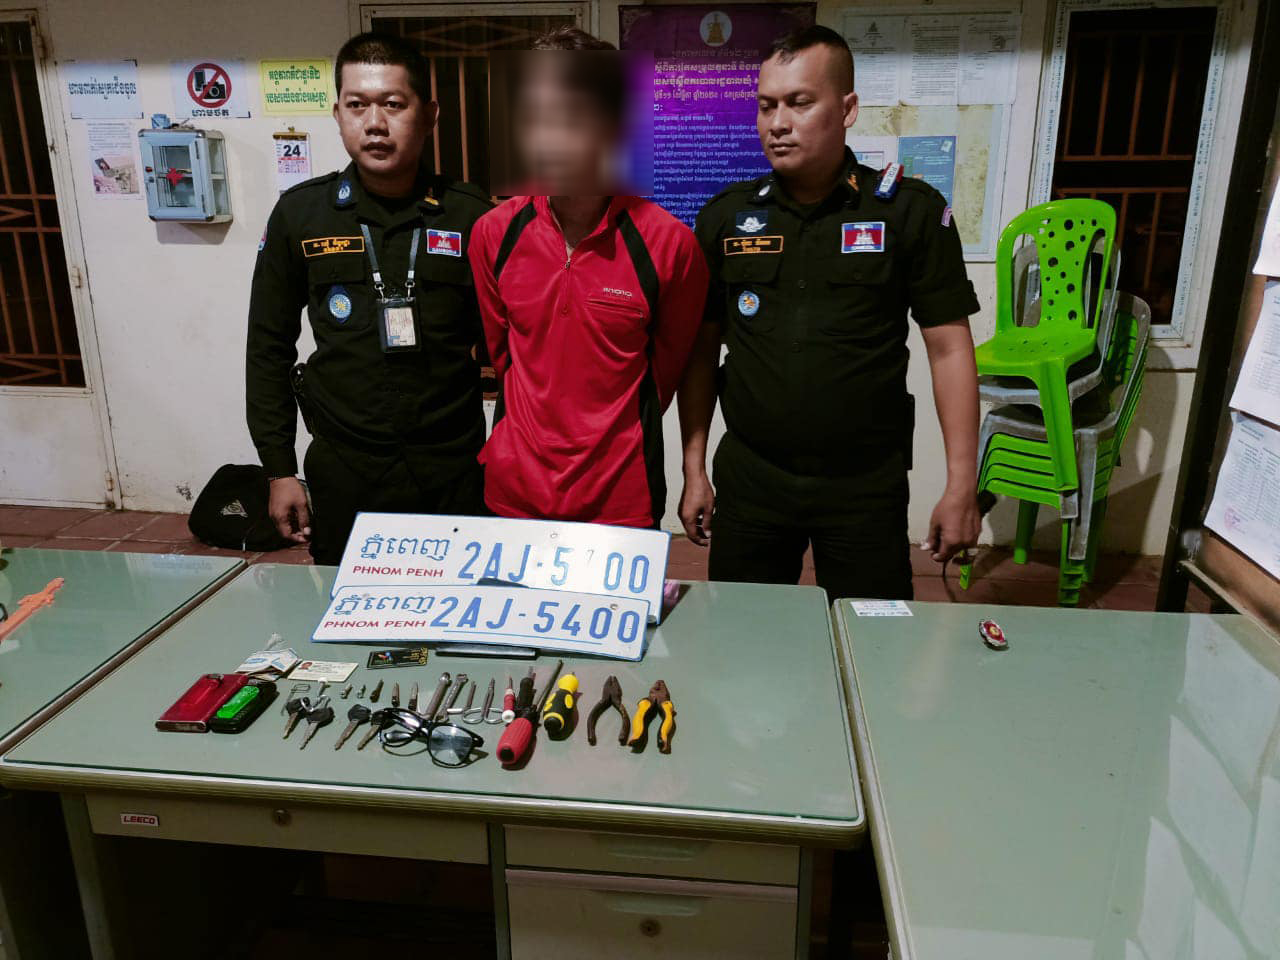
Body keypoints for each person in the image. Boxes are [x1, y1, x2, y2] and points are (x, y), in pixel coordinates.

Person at [678, 26, 981, 601]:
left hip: (864, 485)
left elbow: (949, 349)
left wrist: (961, 483)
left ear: (847, 109)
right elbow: (700, 353)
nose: (778, 123)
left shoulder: (909, 212)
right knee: (743, 635)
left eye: (799, 102)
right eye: (766, 105)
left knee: (873, 638)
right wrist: (694, 471)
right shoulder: (726, 217)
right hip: (753, 478)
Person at [246, 33, 492, 564]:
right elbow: (267, 348)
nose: (374, 123)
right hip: (346, 469)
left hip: (454, 469)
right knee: (347, 606)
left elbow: (515, 351)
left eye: (393, 104)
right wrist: (279, 469)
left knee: (457, 605)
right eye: (357, 105)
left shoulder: (473, 216)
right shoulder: (301, 215)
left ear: (429, 115)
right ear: (337, 114)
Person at [469, 27, 709, 528]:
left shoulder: (670, 244)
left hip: (621, 500)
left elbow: (664, 374)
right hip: (514, 492)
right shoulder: (493, 233)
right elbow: (503, 354)